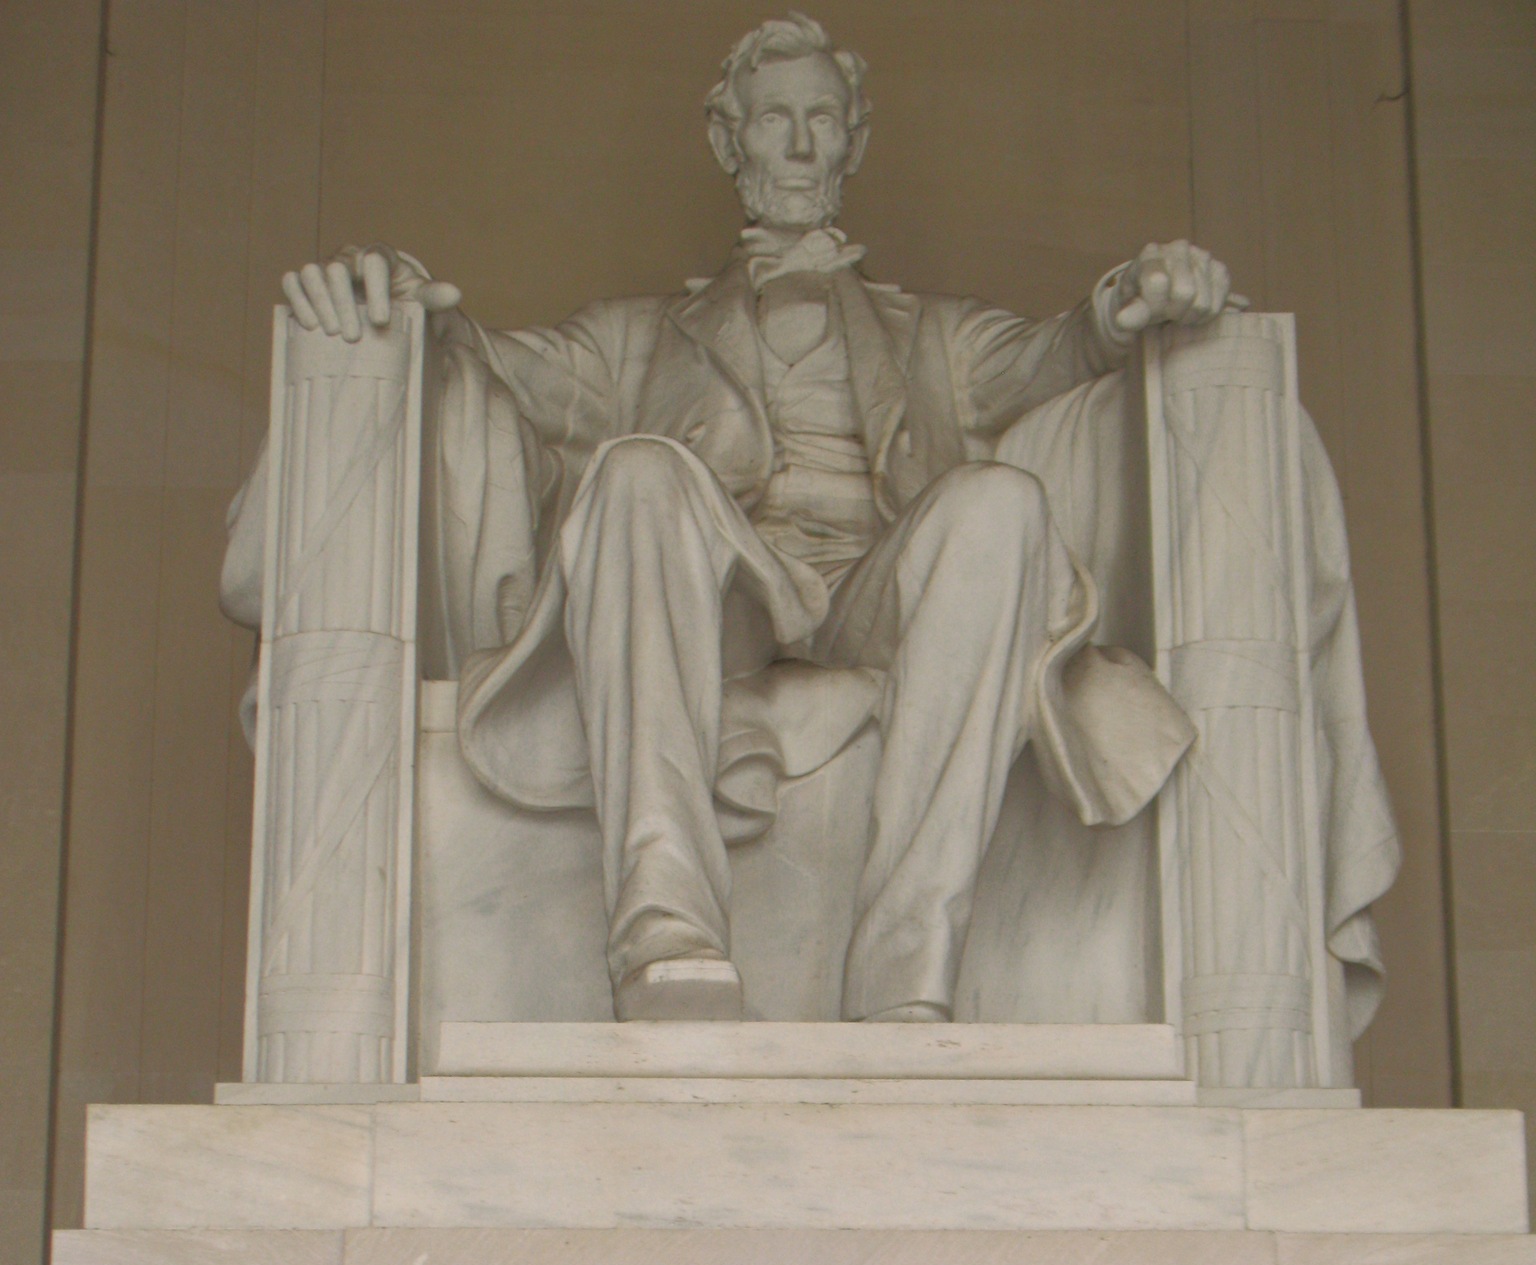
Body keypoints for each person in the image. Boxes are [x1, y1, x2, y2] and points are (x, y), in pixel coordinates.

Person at [237, 12, 1238, 1026]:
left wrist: (1132, 298)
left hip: (878, 601)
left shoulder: (937, 336)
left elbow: (1064, 350)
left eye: (822, 120)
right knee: (635, 472)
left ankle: (907, 966)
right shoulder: (632, 340)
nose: (799, 145)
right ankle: (663, 928)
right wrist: (396, 293)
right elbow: (488, 359)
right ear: (730, 142)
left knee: (1002, 502)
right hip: (721, 600)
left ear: (854, 141)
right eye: (773, 120)